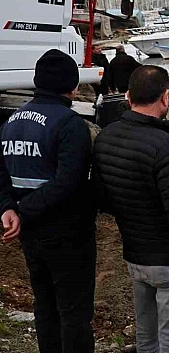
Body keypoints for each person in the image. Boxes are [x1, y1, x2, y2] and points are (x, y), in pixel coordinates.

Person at [92, 65, 169, 353]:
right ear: (165, 98)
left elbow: (102, 197)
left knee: (147, 340)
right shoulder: (164, 146)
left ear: (128, 97)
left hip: (136, 256)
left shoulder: (106, 137)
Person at [0, 49, 96, 353]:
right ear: (71, 85)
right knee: (74, 313)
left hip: (30, 236)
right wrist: (19, 212)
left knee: (44, 307)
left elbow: (1, 175)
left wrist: (7, 209)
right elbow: (68, 183)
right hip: (68, 234)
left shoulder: (11, 122)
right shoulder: (70, 125)